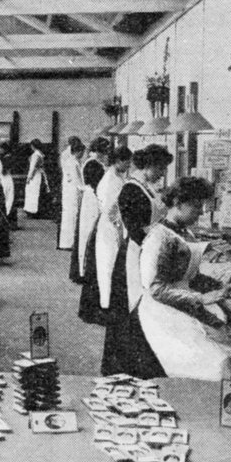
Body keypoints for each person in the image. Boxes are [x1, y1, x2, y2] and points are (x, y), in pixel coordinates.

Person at [136, 177, 231, 380]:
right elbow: (157, 290)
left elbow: (188, 276)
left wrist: (223, 285)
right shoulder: (159, 238)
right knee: (220, 366)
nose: (201, 211)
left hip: (183, 304)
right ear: (177, 203)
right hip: (162, 314)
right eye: (196, 206)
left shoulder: (183, 233)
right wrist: (202, 298)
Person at [101, 144, 173, 378]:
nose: (162, 173)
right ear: (149, 165)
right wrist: (161, 243)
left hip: (145, 250)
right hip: (134, 255)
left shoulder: (146, 187)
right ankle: (123, 366)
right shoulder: (131, 189)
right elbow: (135, 229)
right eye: (160, 168)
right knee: (130, 308)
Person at [80, 146, 132, 326]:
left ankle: (107, 304)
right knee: (107, 266)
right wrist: (119, 231)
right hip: (109, 228)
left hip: (112, 225)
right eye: (127, 161)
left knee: (108, 266)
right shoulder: (111, 179)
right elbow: (111, 210)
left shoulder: (117, 176)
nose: (129, 164)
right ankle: (105, 307)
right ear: (119, 161)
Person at [72, 137, 109, 287]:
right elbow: (96, 185)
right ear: (99, 150)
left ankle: (86, 269)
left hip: (91, 198)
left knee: (87, 233)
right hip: (93, 200)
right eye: (105, 151)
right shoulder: (93, 164)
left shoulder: (94, 162)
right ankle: (85, 270)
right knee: (88, 233)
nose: (106, 154)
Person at [58, 137, 85, 251]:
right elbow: (77, 180)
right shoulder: (73, 163)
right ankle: (70, 243)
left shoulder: (70, 161)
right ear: (78, 152)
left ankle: (66, 242)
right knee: (72, 216)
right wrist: (85, 190)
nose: (83, 155)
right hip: (73, 192)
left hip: (68, 192)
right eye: (82, 153)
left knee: (68, 217)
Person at [23, 139, 48, 219]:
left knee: (32, 193)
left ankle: (32, 211)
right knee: (36, 193)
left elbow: (32, 168)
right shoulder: (40, 154)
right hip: (40, 174)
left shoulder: (35, 155)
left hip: (35, 176)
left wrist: (29, 177)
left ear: (33, 146)